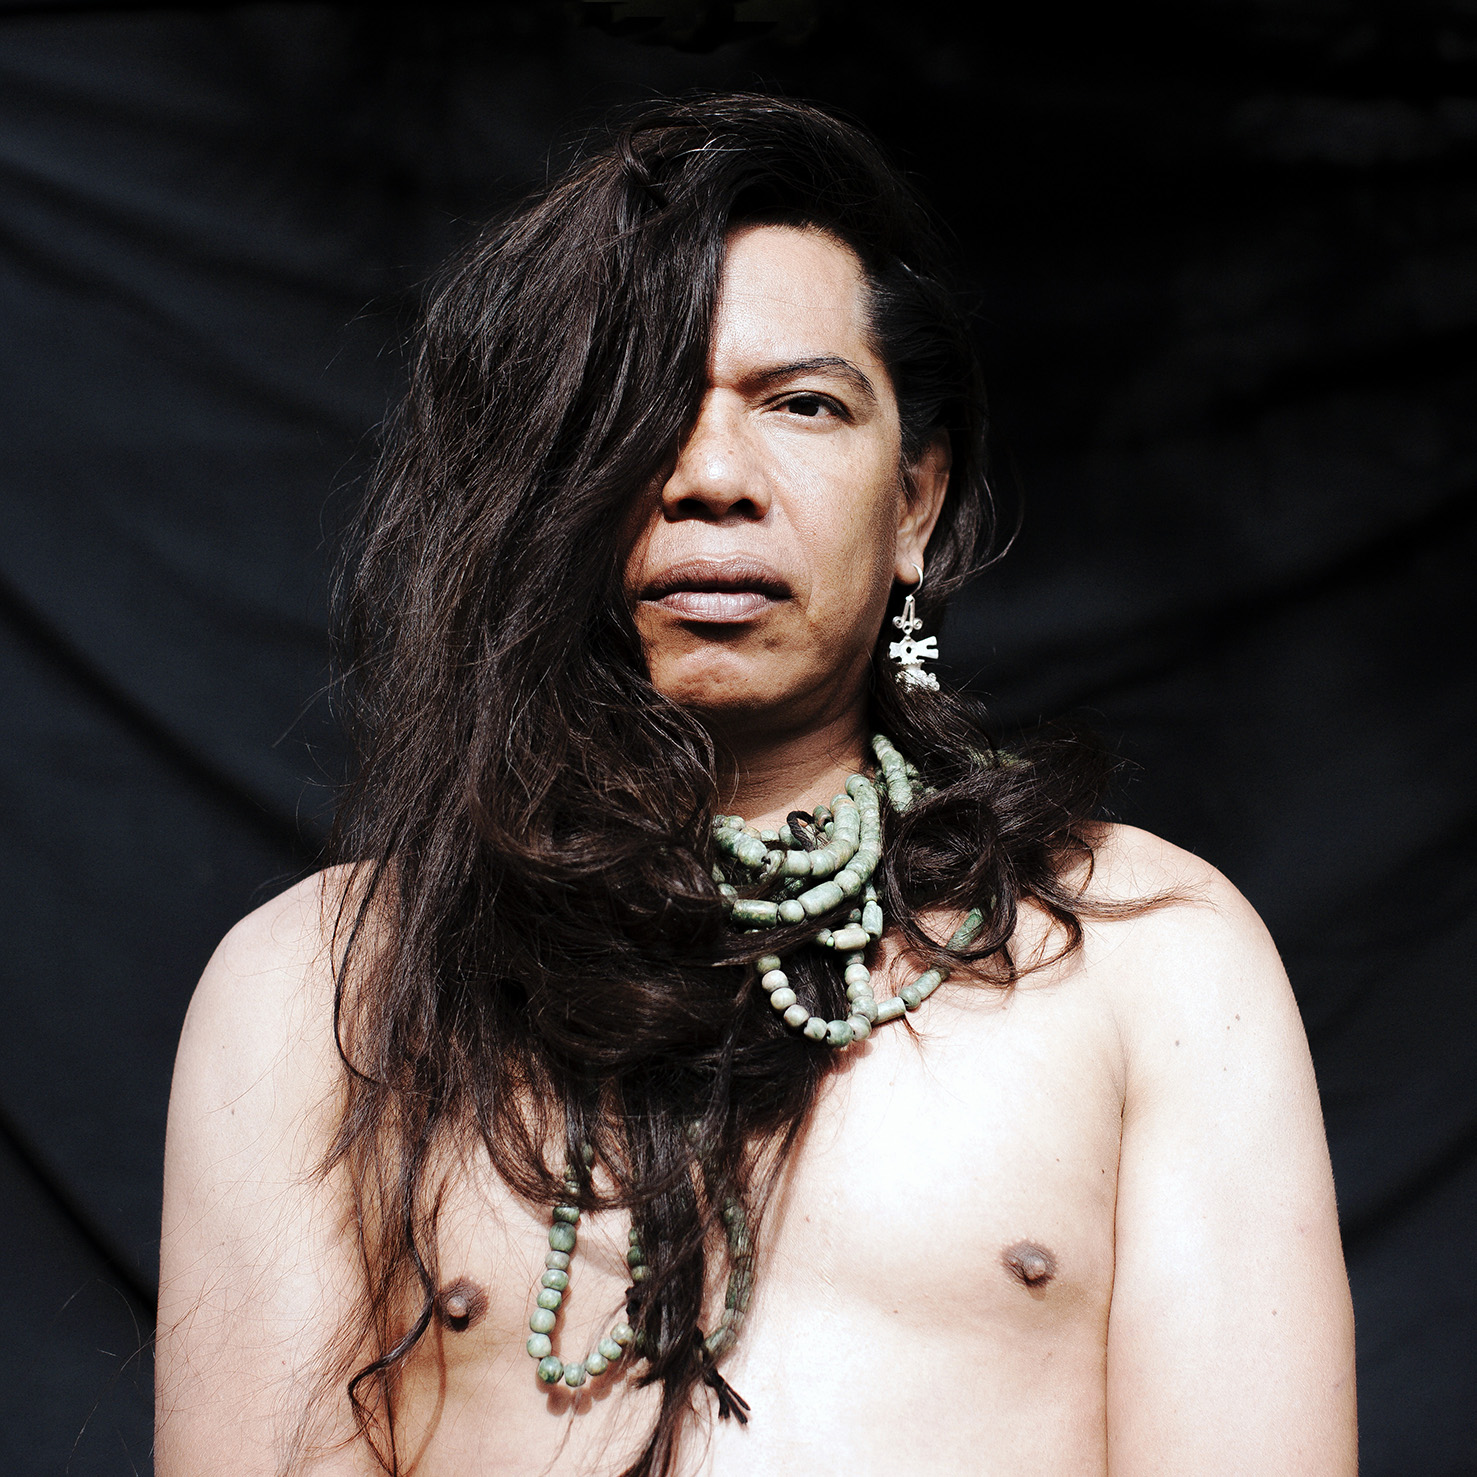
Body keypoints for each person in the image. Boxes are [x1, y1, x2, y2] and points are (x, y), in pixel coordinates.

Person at [155, 93, 1357, 1476]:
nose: (714, 475)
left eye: (800, 404)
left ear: (914, 501)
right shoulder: (319, 986)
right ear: (545, 487)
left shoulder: (1155, 958)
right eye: (638, 413)